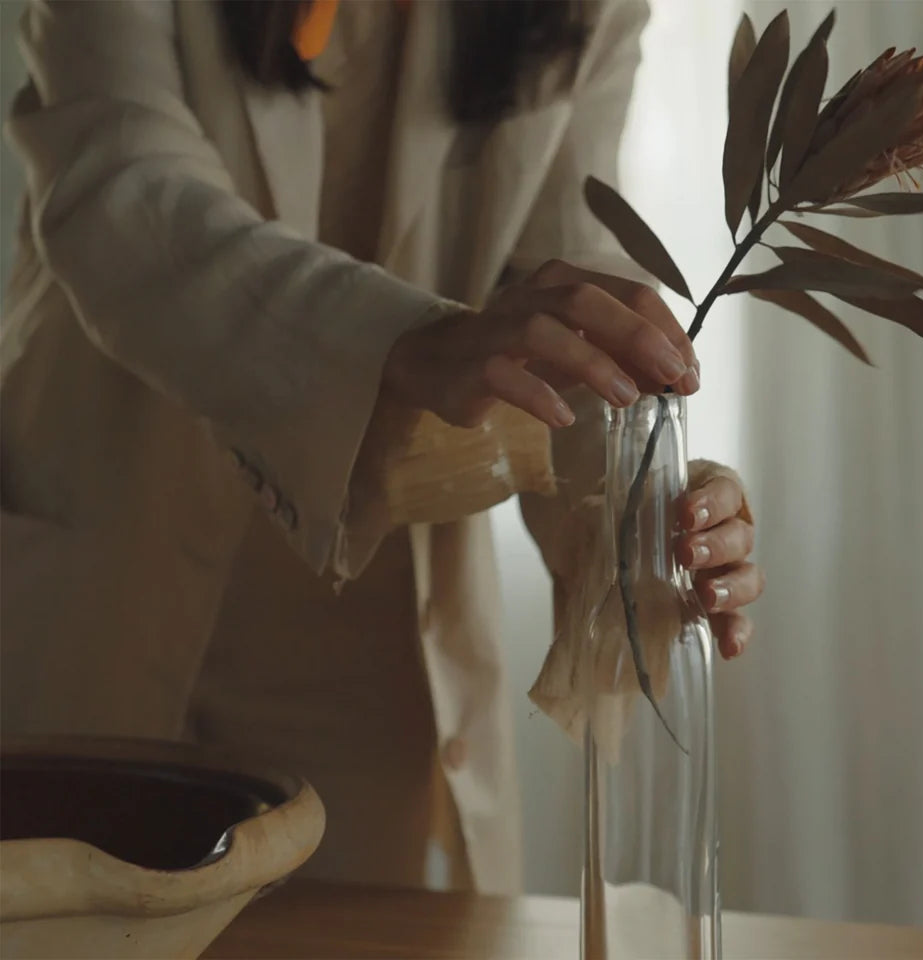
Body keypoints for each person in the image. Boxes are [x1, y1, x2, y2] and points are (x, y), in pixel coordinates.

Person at [0, 0, 763, 892]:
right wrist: (404, 341)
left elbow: (562, 278)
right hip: (107, 576)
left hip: (373, 644)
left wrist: (643, 503)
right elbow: (121, 195)